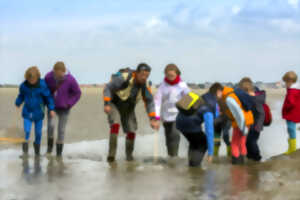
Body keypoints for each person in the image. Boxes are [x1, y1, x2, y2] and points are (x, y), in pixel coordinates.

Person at [103, 63, 159, 162]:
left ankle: (129, 157)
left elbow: (149, 102)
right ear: (136, 73)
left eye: (147, 76)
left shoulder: (145, 85)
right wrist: (107, 103)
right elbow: (108, 88)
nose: (144, 77)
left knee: (132, 130)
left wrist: (152, 119)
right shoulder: (124, 78)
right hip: (114, 103)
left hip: (129, 107)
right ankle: (111, 156)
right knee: (115, 124)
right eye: (142, 74)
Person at [176, 83, 224, 167]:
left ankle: (190, 163)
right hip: (191, 125)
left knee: (194, 142)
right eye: (221, 93)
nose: (222, 95)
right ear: (218, 91)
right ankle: (194, 167)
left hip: (179, 122)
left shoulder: (203, 97)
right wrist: (210, 153)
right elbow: (209, 130)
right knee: (203, 143)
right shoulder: (211, 104)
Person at [15, 66, 55, 158]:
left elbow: (48, 97)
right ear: (27, 78)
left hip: (39, 113)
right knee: (26, 131)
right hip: (27, 113)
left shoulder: (42, 85)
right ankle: (25, 152)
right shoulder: (24, 86)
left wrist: (51, 108)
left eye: (33, 79)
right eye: (29, 79)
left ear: (37, 77)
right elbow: (21, 95)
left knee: (38, 133)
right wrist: (18, 102)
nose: (31, 81)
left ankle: (37, 152)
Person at [45, 61, 82, 159]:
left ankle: (58, 154)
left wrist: (69, 103)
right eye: (56, 75)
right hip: (52, 107)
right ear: (53, 72)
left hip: (65, 108)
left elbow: (78, 93)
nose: (58, 77)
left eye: (60, 76)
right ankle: (49, 149)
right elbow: (45, 90)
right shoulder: (48, 77)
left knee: (61, 130)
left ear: (63, 71)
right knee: (50, 126)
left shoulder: (70, 79)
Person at [154, 64, 190, 157]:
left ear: (177, 74)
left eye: (172, 76)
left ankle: (174, 158)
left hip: (178, 116)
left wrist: (184, 110)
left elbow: (190, 98)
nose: (170, 78)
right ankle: (171, 157)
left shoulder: (182, 85)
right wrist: (157, 117)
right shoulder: (162, 86)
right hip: (166, 117)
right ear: (165, 75)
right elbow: (157, 102)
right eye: (168, 75)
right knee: (168, 138)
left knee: (175, 135)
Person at [221, 85, 254, 164]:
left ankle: (236, 165)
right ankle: (243, 162)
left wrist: (242, 127)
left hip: (240, 122)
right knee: (242, 142)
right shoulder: (235, 93)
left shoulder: (229, 98)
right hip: (248, 119)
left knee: (234, 144)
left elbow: (238, 114)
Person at [239, 77, 266, 162]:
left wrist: (258, 126)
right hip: (249, 124)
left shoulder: (256, 99)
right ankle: (250, 158)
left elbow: (261, 113)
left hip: (256, 125)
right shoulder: (249, 97)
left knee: (252, 141)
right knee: (247, 142)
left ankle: (257, 158)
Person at [282, 71, 300, 154]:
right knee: (291, 129)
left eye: (285, 82)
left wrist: (286, 108)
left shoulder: (292, 91)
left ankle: (292, 148)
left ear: (290, 82)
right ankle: (291, 147)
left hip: (291, 113)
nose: (285, 84)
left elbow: (291, 102)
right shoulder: (295, 90)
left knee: (290, 129)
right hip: (295, 113)